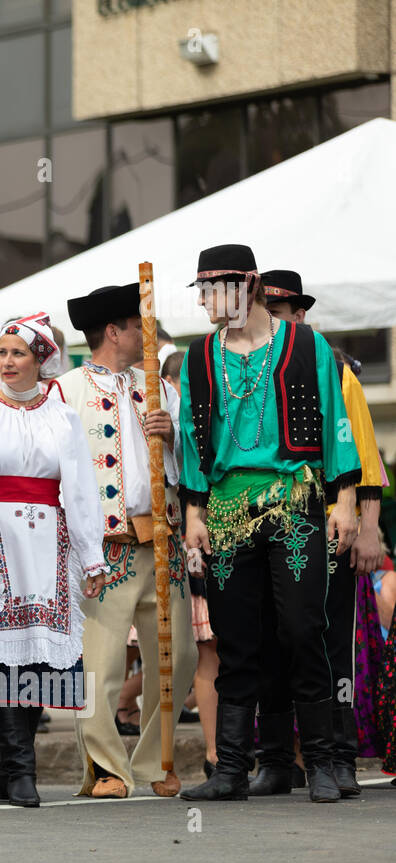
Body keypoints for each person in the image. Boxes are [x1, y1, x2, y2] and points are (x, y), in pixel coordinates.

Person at [178, 245, 360, 804]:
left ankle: (325, 762)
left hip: (294, 496)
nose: (209, 300)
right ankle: (232, 769)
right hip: (228, 506)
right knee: (235, 638)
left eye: (218, 287)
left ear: (250, 284)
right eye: (202, 290)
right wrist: (193, 513)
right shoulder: (200, 357)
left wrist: (346, 497)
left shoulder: (306, 344)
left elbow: (335, 419)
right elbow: (191, 437)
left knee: (304, 629)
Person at [246, 269, 384, 797]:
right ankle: (278, 758)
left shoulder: (334, 366)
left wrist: (367, 527)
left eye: (281, 312)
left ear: (300, 315)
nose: (272, 322)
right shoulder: (246, 369)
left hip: (331, 522)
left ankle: (341, 756)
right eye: (267, 311)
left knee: (328, 639)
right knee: (270, 639)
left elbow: (363, 457)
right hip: (269, 525)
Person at [56, 283, 196, 798]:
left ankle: (152, 763)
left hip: (162, 539)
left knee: (177, 658)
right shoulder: (66, 390)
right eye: (139, 326)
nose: (148, 334)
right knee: (102, 662)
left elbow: (188, 463)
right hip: (104, 545)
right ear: (113, 332)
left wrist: (172, 434)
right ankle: (105, 767)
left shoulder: (162, 388)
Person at [0, 313, 107, 807]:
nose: (7, 362)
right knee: (1, 647)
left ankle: (15, 770)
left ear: (40, 359)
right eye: (1, 352)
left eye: (18, 353)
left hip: (50, 536)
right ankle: (18, 767)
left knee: (39, 648)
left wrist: (92, 557)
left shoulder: (62, 415)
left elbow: (83, 490)